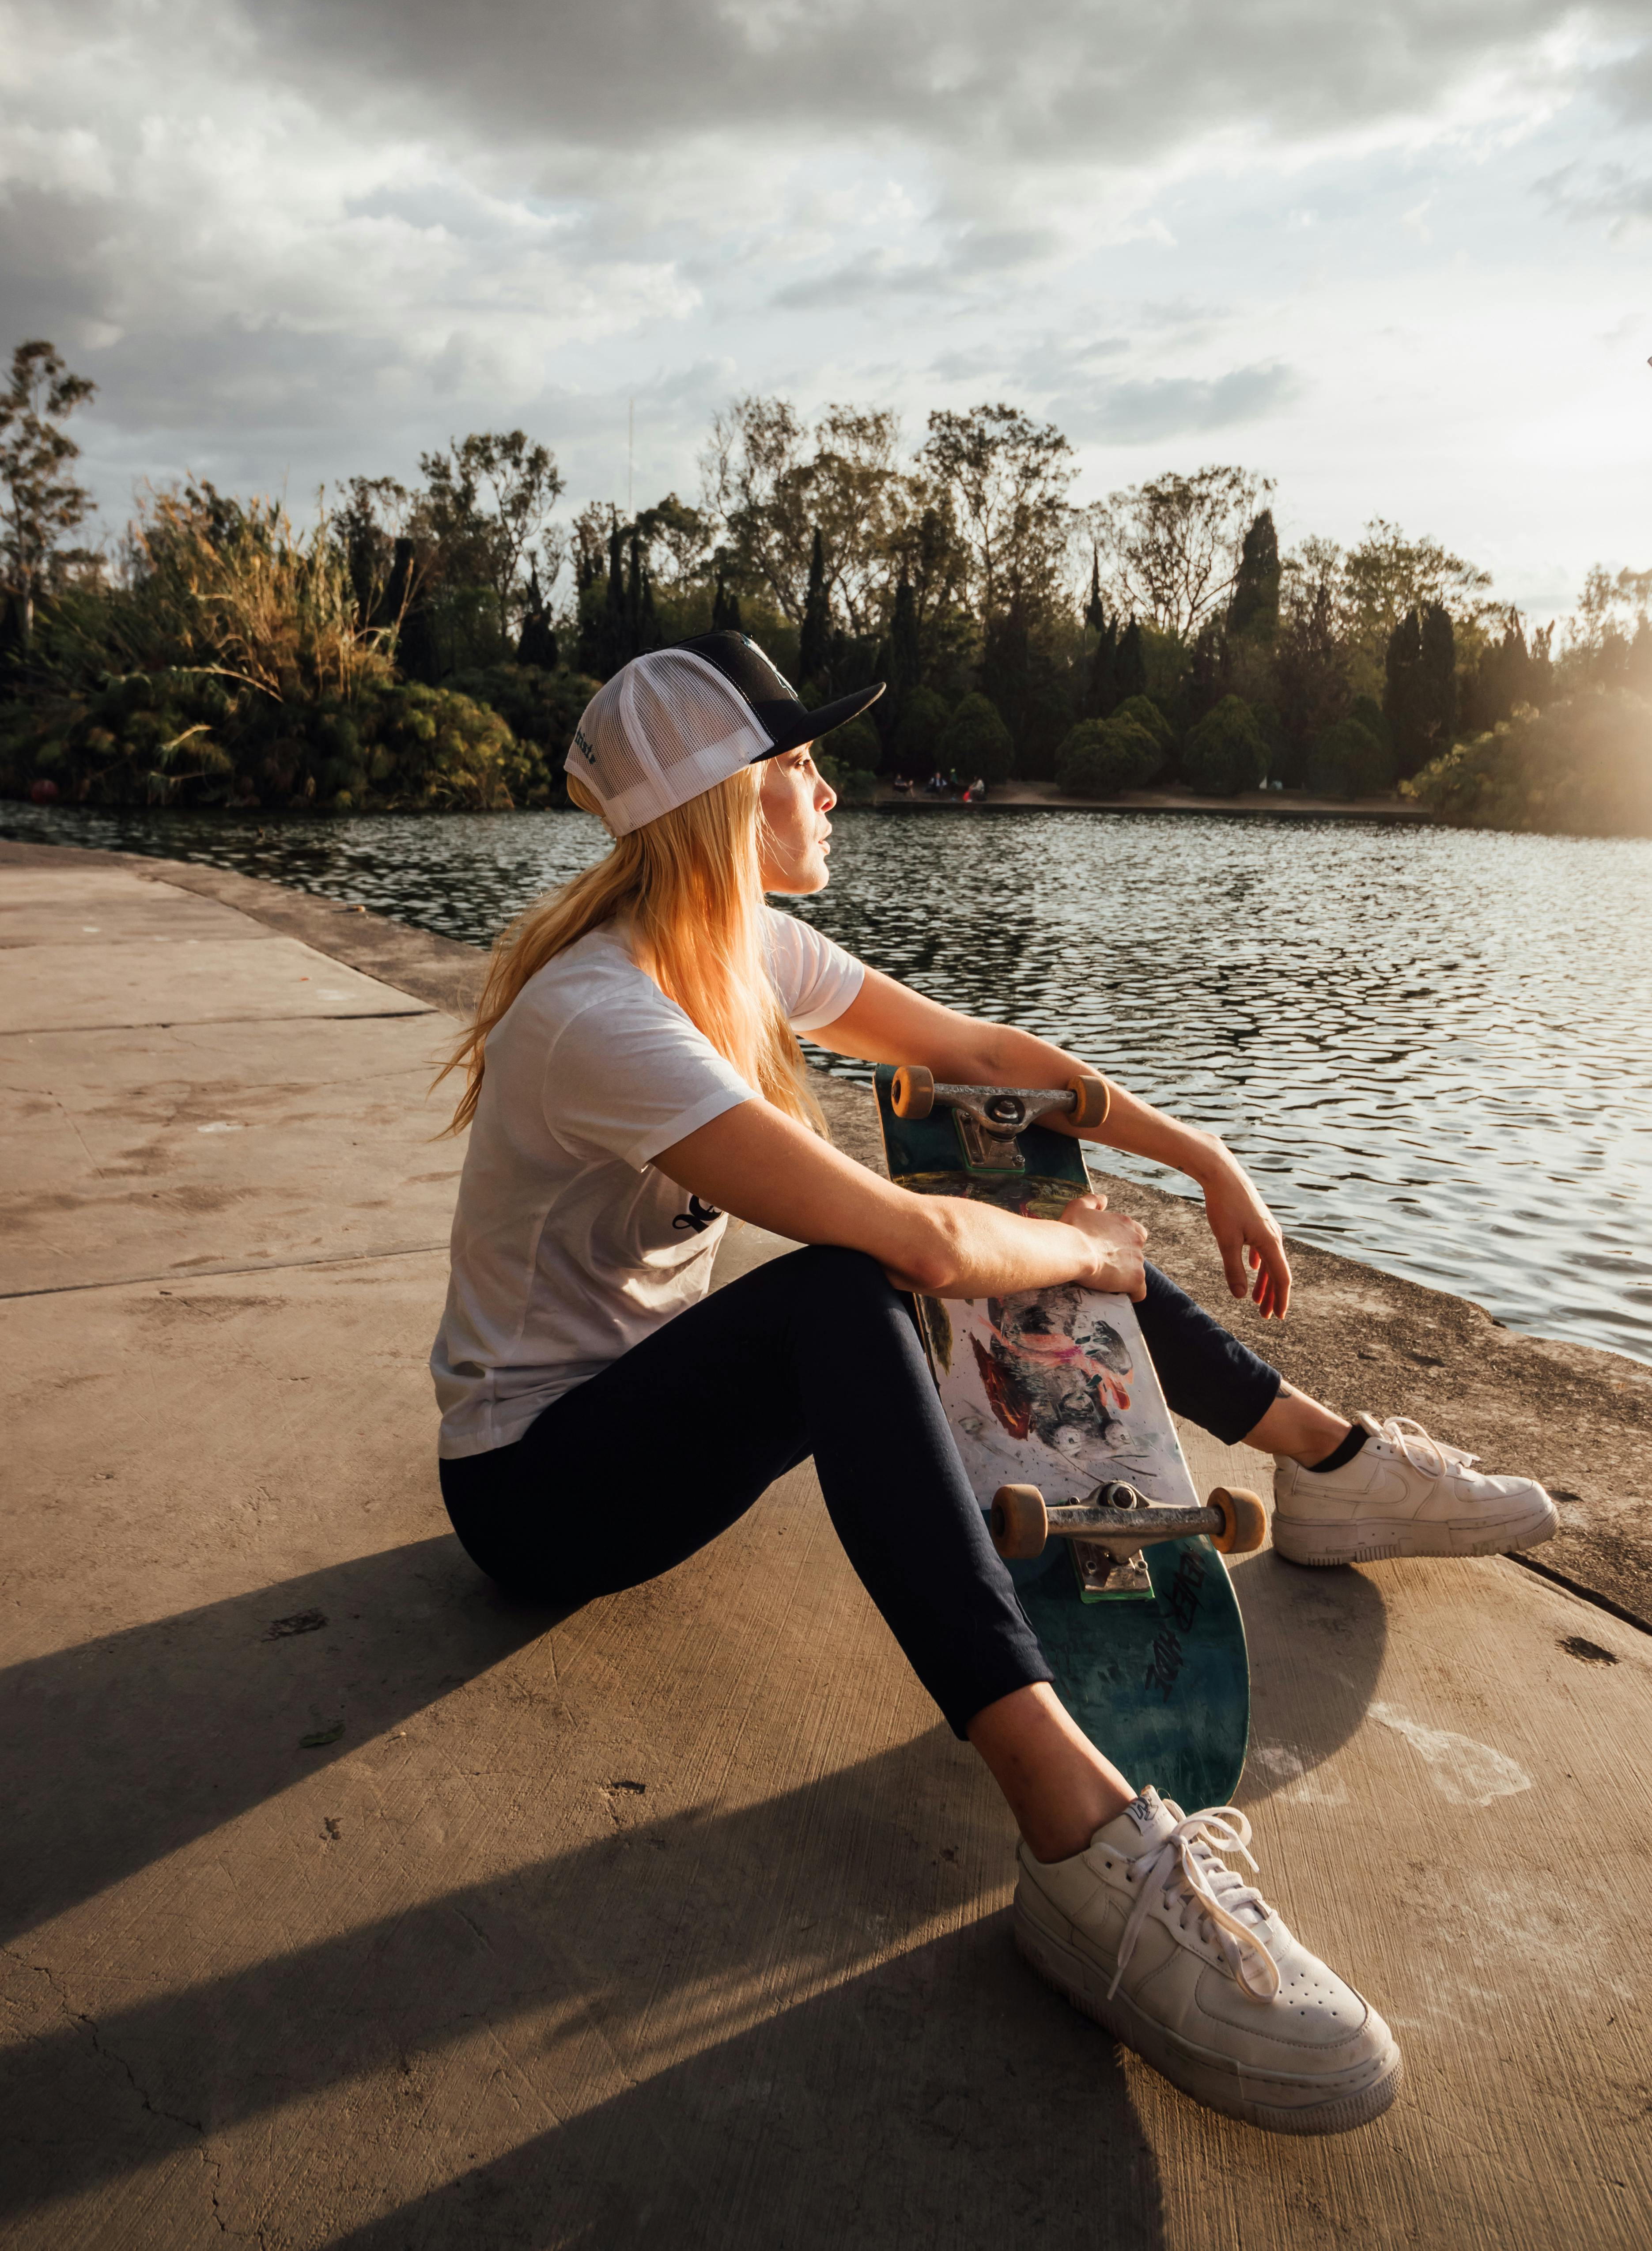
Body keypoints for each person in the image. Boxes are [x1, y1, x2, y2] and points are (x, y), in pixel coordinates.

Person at [431, 632, 1555, 2135]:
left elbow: (975, 1054)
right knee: (863, 1282)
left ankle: (1328, 1464)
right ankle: (1082, 1841)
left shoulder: (739, 942)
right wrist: (1075, 1249)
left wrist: (1200, 1155)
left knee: (972, 1216)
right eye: (800, 768)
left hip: (661, 1430)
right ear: (727, 802)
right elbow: (909, 1241)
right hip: (538, 1492)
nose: (830, 792)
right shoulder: (602, 1012)